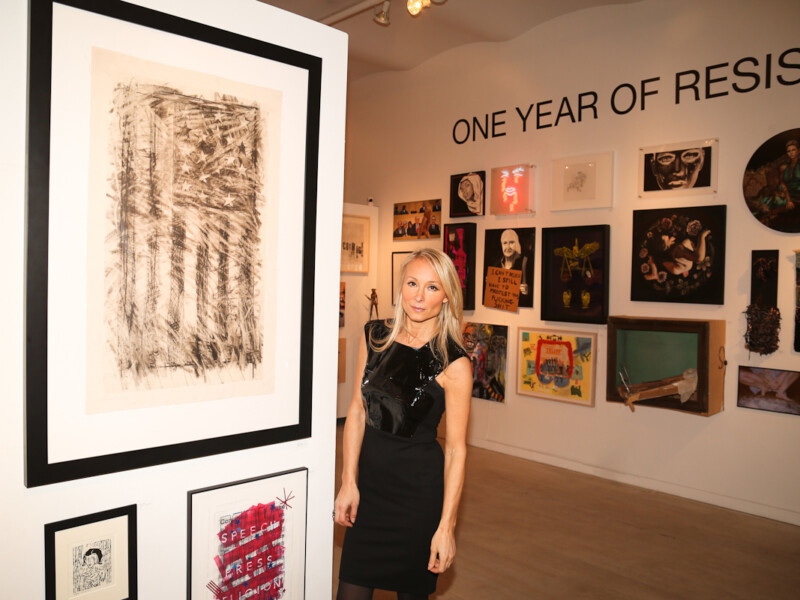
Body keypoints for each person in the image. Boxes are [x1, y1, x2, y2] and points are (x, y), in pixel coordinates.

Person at [335, 248, 472, 600]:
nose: (419, 296)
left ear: (446, 296)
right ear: (401, 287)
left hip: (417, 499)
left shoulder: (453, 362)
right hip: (369, 493)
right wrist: (348, 481)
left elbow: (456, 451)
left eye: (432, 287)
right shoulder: (375, 337)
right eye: (412, 283)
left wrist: (446, 527)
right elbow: (357, 411)